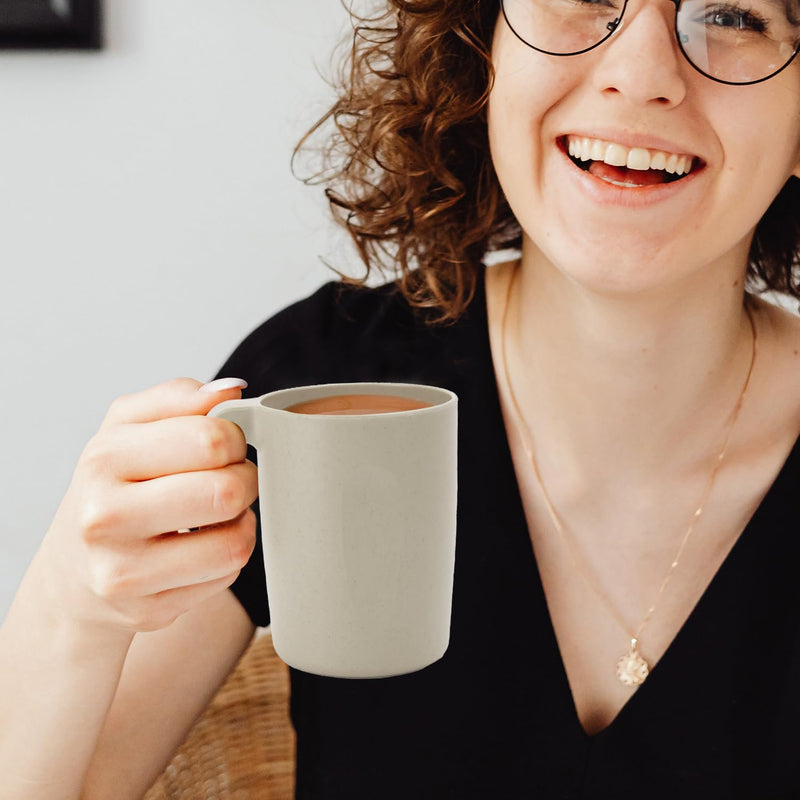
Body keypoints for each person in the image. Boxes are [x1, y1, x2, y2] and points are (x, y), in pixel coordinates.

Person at [2, 0, 800, 796]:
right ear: (480, 54)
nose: (640, 73)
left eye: (732, 14)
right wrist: (74, 603)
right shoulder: (319, 381)